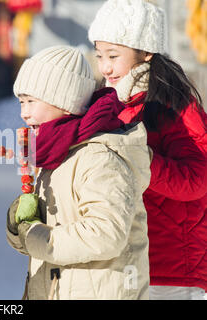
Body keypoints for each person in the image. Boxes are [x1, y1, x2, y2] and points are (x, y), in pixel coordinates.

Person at [6, 45, 152, 299]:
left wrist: (40, 238)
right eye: (21, 102)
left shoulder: (99, 157)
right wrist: (20, 226)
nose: (24, 112)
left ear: (65, 102)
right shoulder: (57, 155)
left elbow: (107, 233)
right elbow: (52, 228)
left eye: (31, 101)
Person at [89, 0, 207, 300]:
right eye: (100, 55)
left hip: (173, 269)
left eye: (114, 55)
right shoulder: (111, 106)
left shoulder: (174, 106)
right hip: (127, 262)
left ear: (145, 52)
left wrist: (142, 160)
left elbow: (198, 180)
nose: (105, 66)